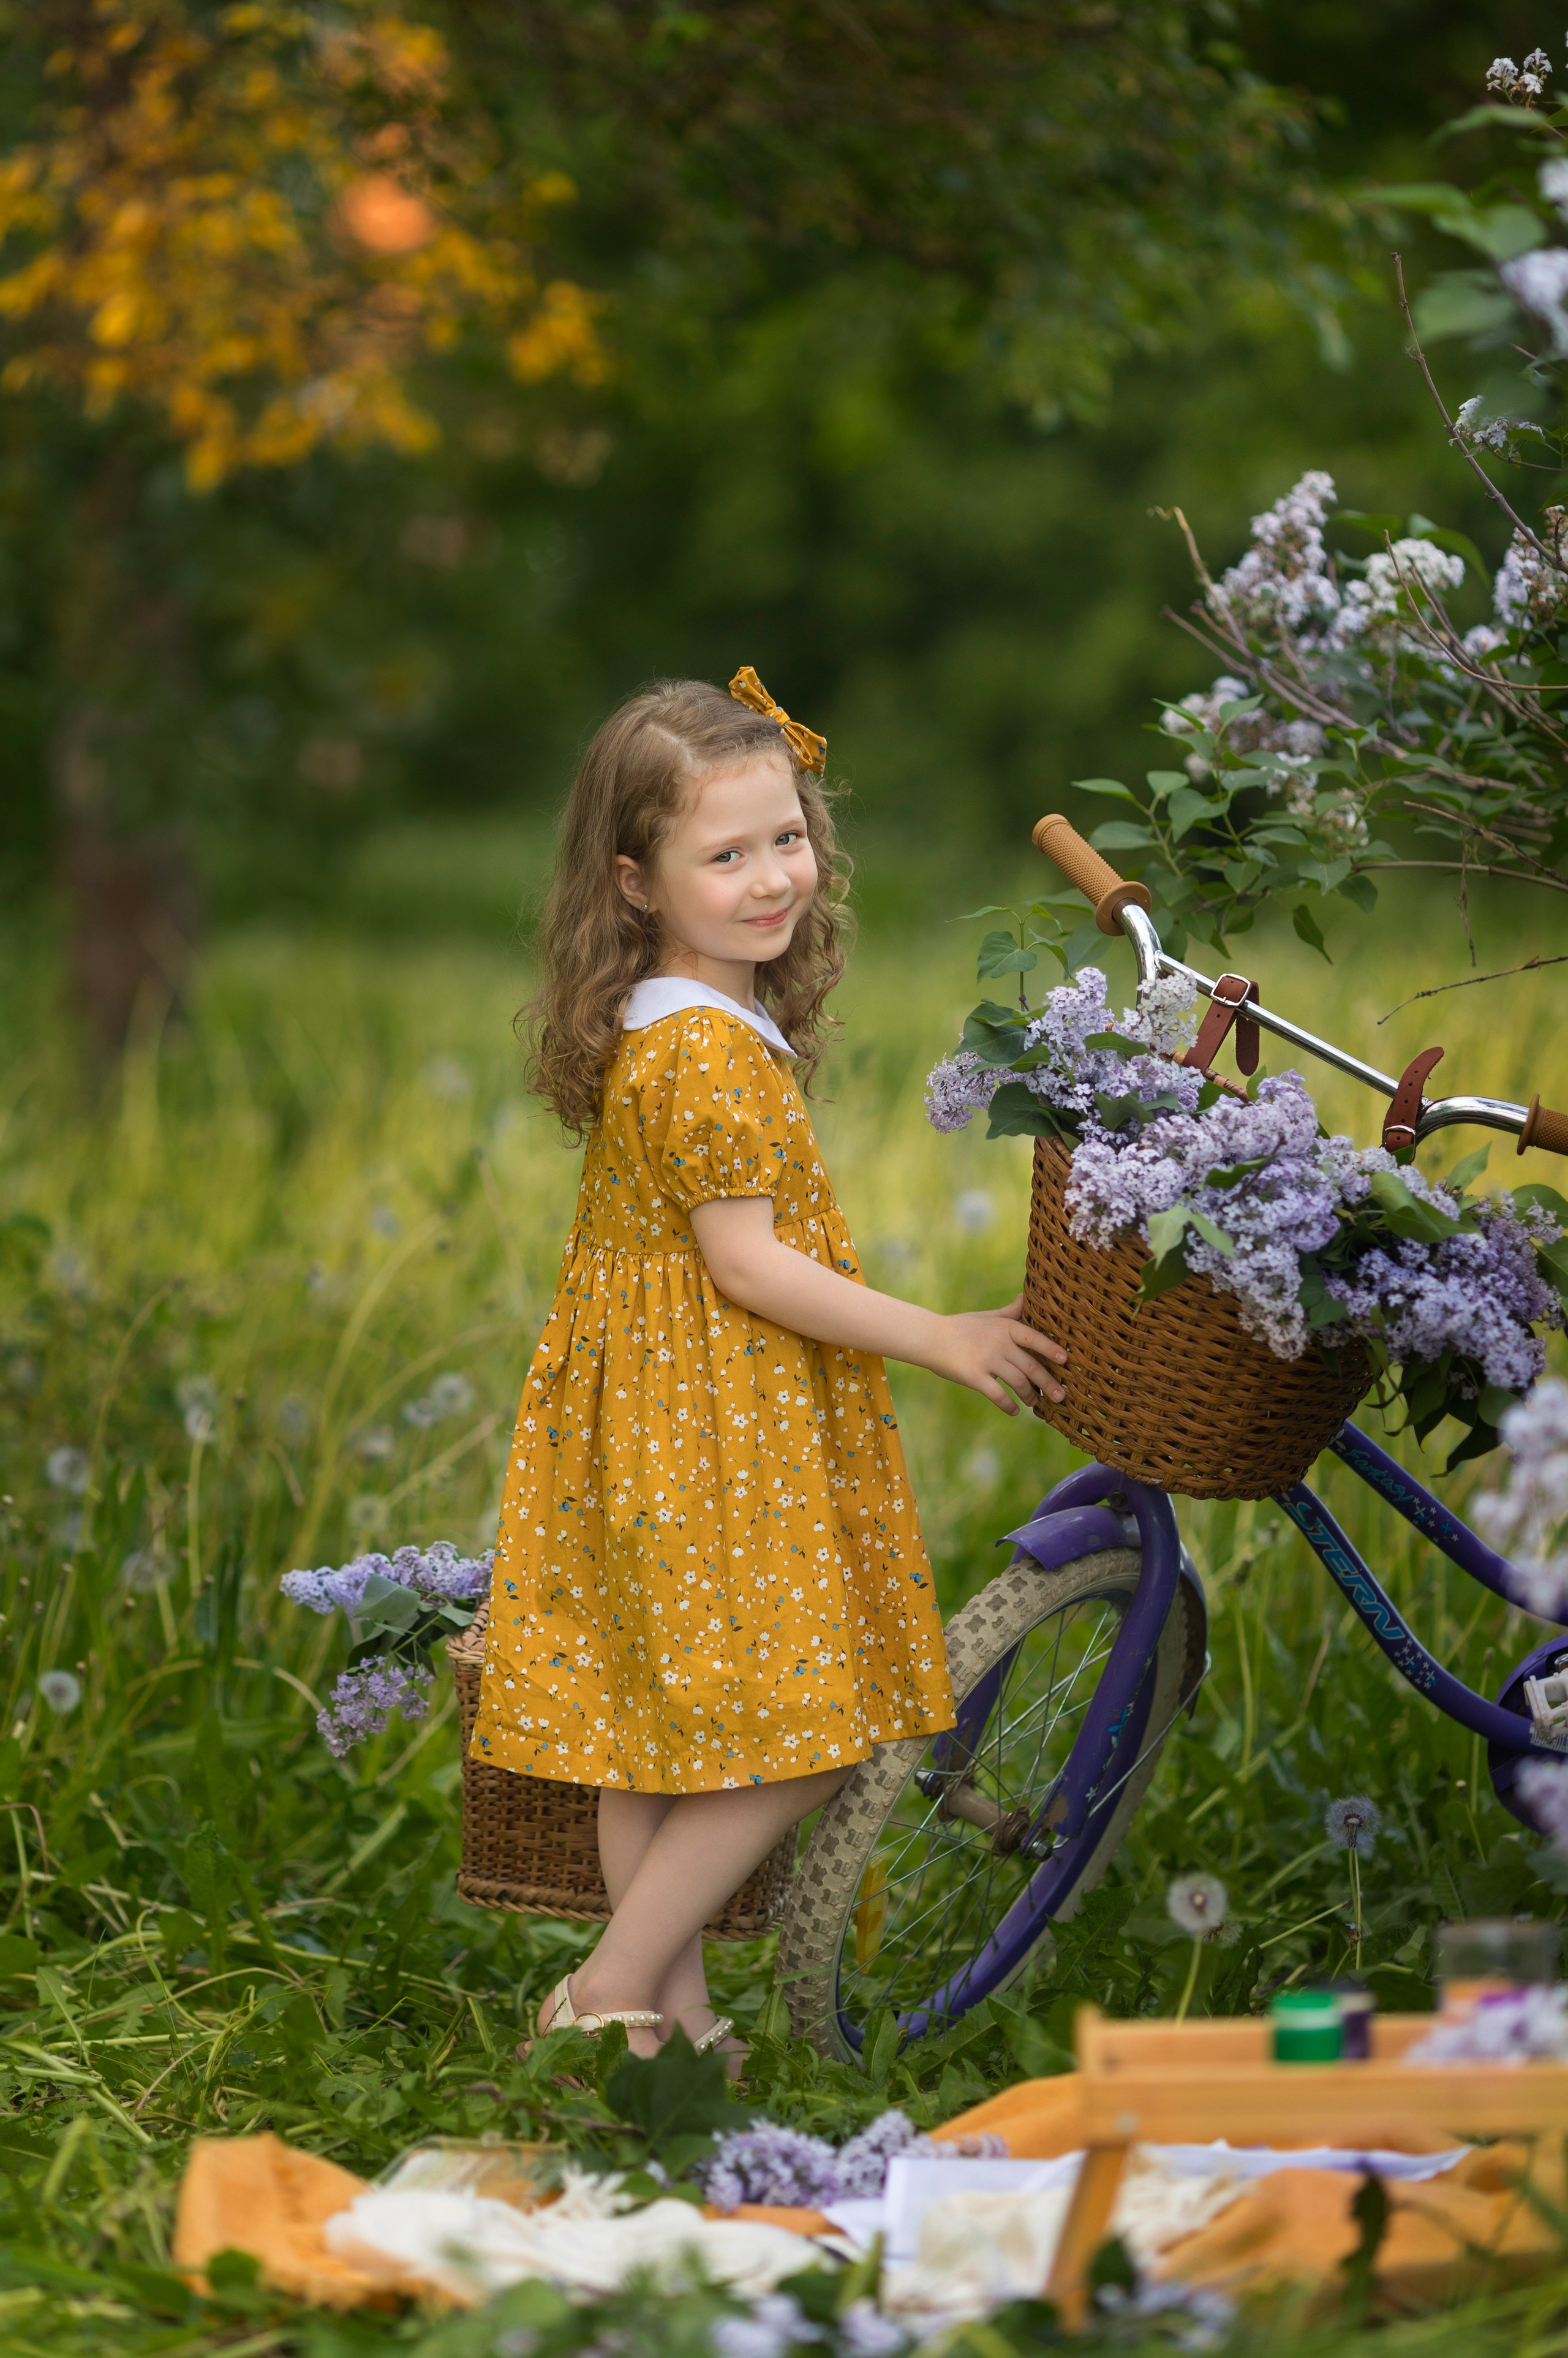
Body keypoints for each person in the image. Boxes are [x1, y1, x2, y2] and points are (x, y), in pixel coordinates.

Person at [471, 669, 1067, 2065]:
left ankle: (667, 2030)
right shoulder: (707, 1056)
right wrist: (940, 1331)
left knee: (653, 1730)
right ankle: (610, 1988)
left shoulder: (666, 1016)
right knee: (808, 1730)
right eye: (722, 854)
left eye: (784, 838)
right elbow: (742, 1266)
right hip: (710, 1426)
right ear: (632, 879)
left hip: (644, 1418)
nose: (768, 878)